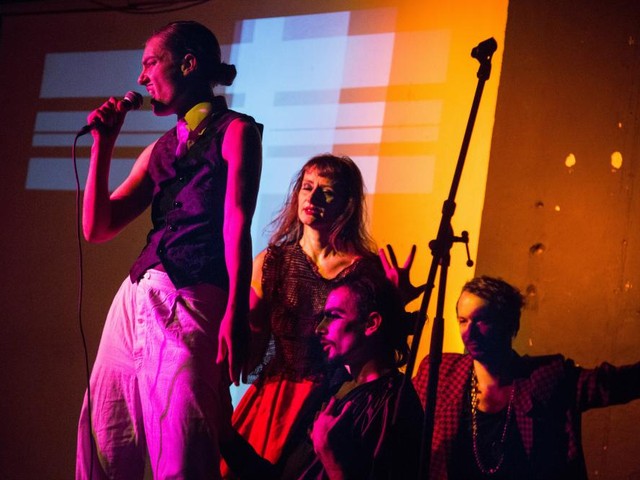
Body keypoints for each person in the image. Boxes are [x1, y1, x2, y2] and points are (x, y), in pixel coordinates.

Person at [75, 20, 262, 479]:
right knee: (105, 433)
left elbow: (237, 225)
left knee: (181, 444)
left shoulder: (236, 131)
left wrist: (236, 312)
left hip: (192, 296)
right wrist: (104, 144)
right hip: (135, 296)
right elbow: (97, 227)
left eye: (151, 63)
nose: (142, 78)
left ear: (188, 64)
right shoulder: (159, 148)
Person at [227, 153, 419, 471]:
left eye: (326, 191)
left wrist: (397, 302)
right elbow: (250, 345)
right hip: (275, 400)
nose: (313, 197)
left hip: (333, 397)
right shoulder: (271, 262)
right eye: (307, 186)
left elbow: (381, 342)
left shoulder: (365, 269)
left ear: (346, 203)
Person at [413, 275, 640, 479]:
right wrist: (398, 312)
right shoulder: (441, 372)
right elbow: (398, 413)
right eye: (463, 320)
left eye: (482, 320)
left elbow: (614, 383)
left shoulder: (546, 377)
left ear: (510, 324)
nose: (468, 332)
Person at [221, 272, 424, 479]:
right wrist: (225, 435)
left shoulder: (392, 402)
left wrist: (333, 462)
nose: (319, 328)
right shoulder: (334, 391)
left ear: (371, 323)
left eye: (333, 316)